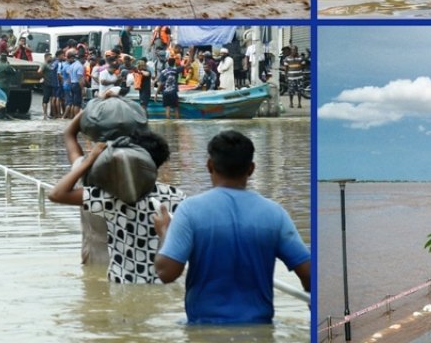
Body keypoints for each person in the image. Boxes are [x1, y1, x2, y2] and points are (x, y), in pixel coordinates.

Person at [154, 131, 311, 323]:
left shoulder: (189, 211)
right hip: (260, 330)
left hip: (203, 330)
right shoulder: (274, 214)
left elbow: (166, 273)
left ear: (209, 166)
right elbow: (309, 273)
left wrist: (164, 233)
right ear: (251, 169)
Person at [48, 132, 185, 283]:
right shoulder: (176, 196)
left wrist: (90, 160)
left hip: (121, 284)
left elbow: (56, 194)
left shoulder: (112, 197)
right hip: (163, 282)